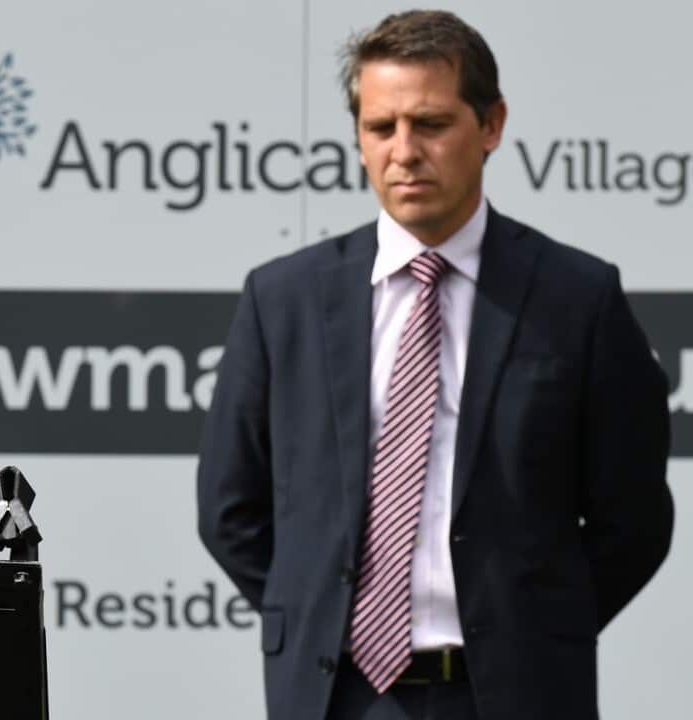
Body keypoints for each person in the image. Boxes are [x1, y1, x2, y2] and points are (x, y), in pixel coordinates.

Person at [197, 10, 672, 720]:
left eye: (431, 124)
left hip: (517, 695)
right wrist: (319, 618)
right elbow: (229, 509)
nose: (404, 151)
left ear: (491, 125)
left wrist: (534, 630)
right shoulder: (283, 299)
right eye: (380, 127)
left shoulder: (579, 299)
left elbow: (633, 520)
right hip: (338, 697)